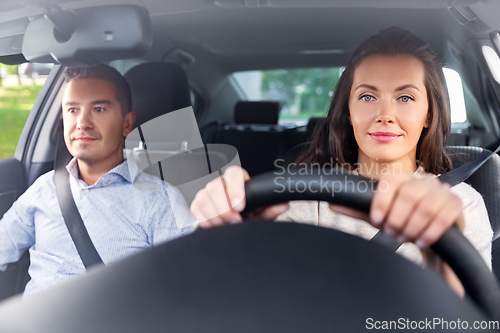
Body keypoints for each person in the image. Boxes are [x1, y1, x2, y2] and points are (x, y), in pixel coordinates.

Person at [189, 27, 493, 296]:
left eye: (405, 98)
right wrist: (226, 229)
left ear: (429, 114)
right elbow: (250, 297)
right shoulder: (307, 197)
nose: (384, 114)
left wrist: (444, 262)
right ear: (348, 111)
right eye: (367, 97)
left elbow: (474, 320)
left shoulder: (460, 205)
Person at [0, 64, 192, 295]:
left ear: (127, 124)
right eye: (72, 110)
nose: (82, 123)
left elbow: (184, 289)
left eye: (98, 109)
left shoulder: (160, 200)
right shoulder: (44, 188)